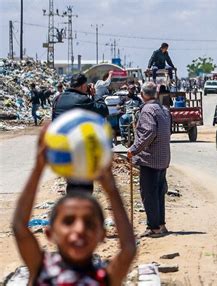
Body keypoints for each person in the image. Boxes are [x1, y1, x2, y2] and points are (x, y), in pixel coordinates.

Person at [12, 127, 136, 285]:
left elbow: (128, 250)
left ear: (102, 234)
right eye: (68, 221)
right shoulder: (42, 268)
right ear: (50, 233)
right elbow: (19, 228)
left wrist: (111, 189)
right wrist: (38, 168)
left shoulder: (103, 276)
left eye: (89, 223)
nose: (80, 229)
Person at [127, 82, 171, 238]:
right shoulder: (163, 109)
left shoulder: (147, 110)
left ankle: (154, 228)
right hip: (162, 157)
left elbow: (149, 132)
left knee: (149, 193)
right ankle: (161, 224)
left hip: (150, 159)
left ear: (142, 94)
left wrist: (133, 150)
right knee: (159, 192)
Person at [52, 73, 109, 193]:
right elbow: (104, 110)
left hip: (63, 150)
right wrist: (96, 94)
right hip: (80, 149)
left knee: (72, 184)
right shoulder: (83, 100)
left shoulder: (58, 99)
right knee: (85, 187)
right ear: (83, 86)